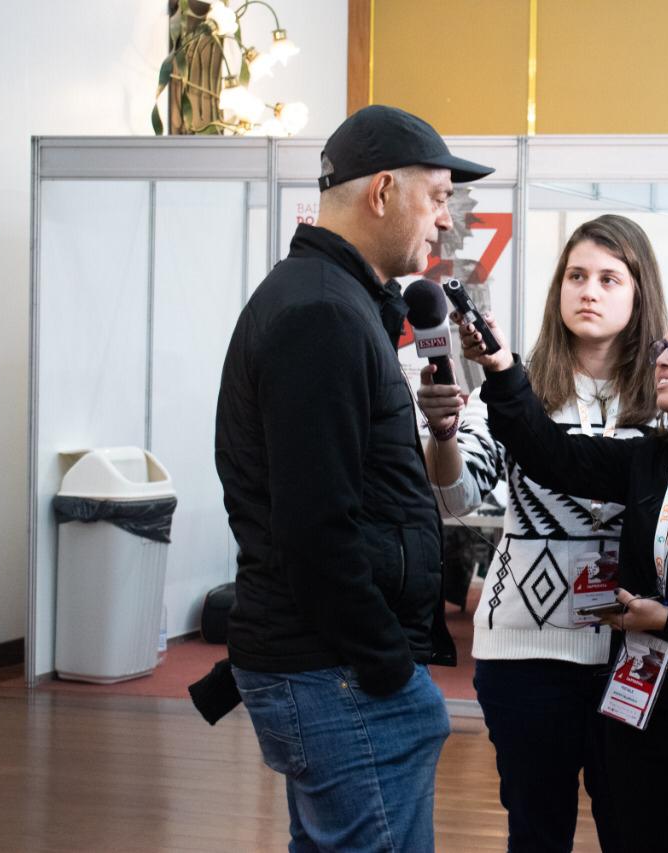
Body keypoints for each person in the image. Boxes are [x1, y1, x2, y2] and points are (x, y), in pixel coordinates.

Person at [214, 105, 493, 851]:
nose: (444, 222)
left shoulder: (338, 303)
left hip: (331, 665)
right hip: (337, 670)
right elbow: (315, 527)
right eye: (436, 198)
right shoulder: (321, 315)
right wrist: (387, 667)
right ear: (381, 193)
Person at [451, 299, 668, 852]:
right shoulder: (652, 460)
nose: (663, 360)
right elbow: (549, 453)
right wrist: (502, 370)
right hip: (638, 714)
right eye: (662, 346)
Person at [417, 214, 668, 852]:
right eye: (577, 276)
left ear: (640, 294)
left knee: (635, 828)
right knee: (536, 832)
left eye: (610, 278)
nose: (590, 290)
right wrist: (442, 436)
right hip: (526, 649)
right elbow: (453, 497)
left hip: (631, 651)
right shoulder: (513, 389)